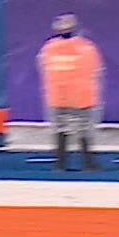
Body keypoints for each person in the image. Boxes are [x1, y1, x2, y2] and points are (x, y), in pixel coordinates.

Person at [37, 13, 103, 172]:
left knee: (62, 130)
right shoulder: (85, 47)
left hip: (59, 96)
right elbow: (95, 69)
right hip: (81, 96)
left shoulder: (50, 48)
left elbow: (44, 68)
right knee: (83, 130)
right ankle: (87, 164)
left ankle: (60, 164)